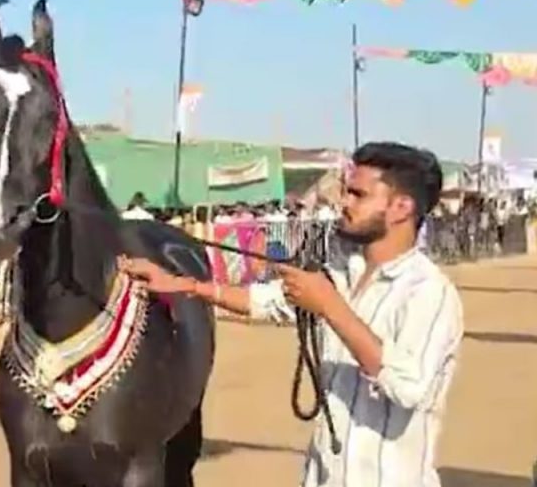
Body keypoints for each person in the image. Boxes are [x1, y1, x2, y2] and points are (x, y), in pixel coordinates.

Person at [119, 142, 463, 487]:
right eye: (346, 192)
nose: (344, 203)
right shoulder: (343, 273)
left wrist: (329, 305)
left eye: (358, 195)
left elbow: (410, 386)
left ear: (401, 207)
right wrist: (184, 286)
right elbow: (267, 301)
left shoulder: (429, 291)